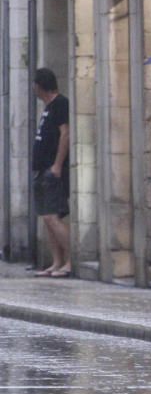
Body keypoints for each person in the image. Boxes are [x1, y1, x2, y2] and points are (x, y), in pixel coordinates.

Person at [31, 68, 72, 278]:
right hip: (41, 169)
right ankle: (56, 261)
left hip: (52, 169)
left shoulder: (60, 104)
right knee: (47, 219)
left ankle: (71, 260)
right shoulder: (47, 107)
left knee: (53, 216)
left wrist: (57, 165)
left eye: (34, 84)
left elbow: (65, 134)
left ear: (40, 86)